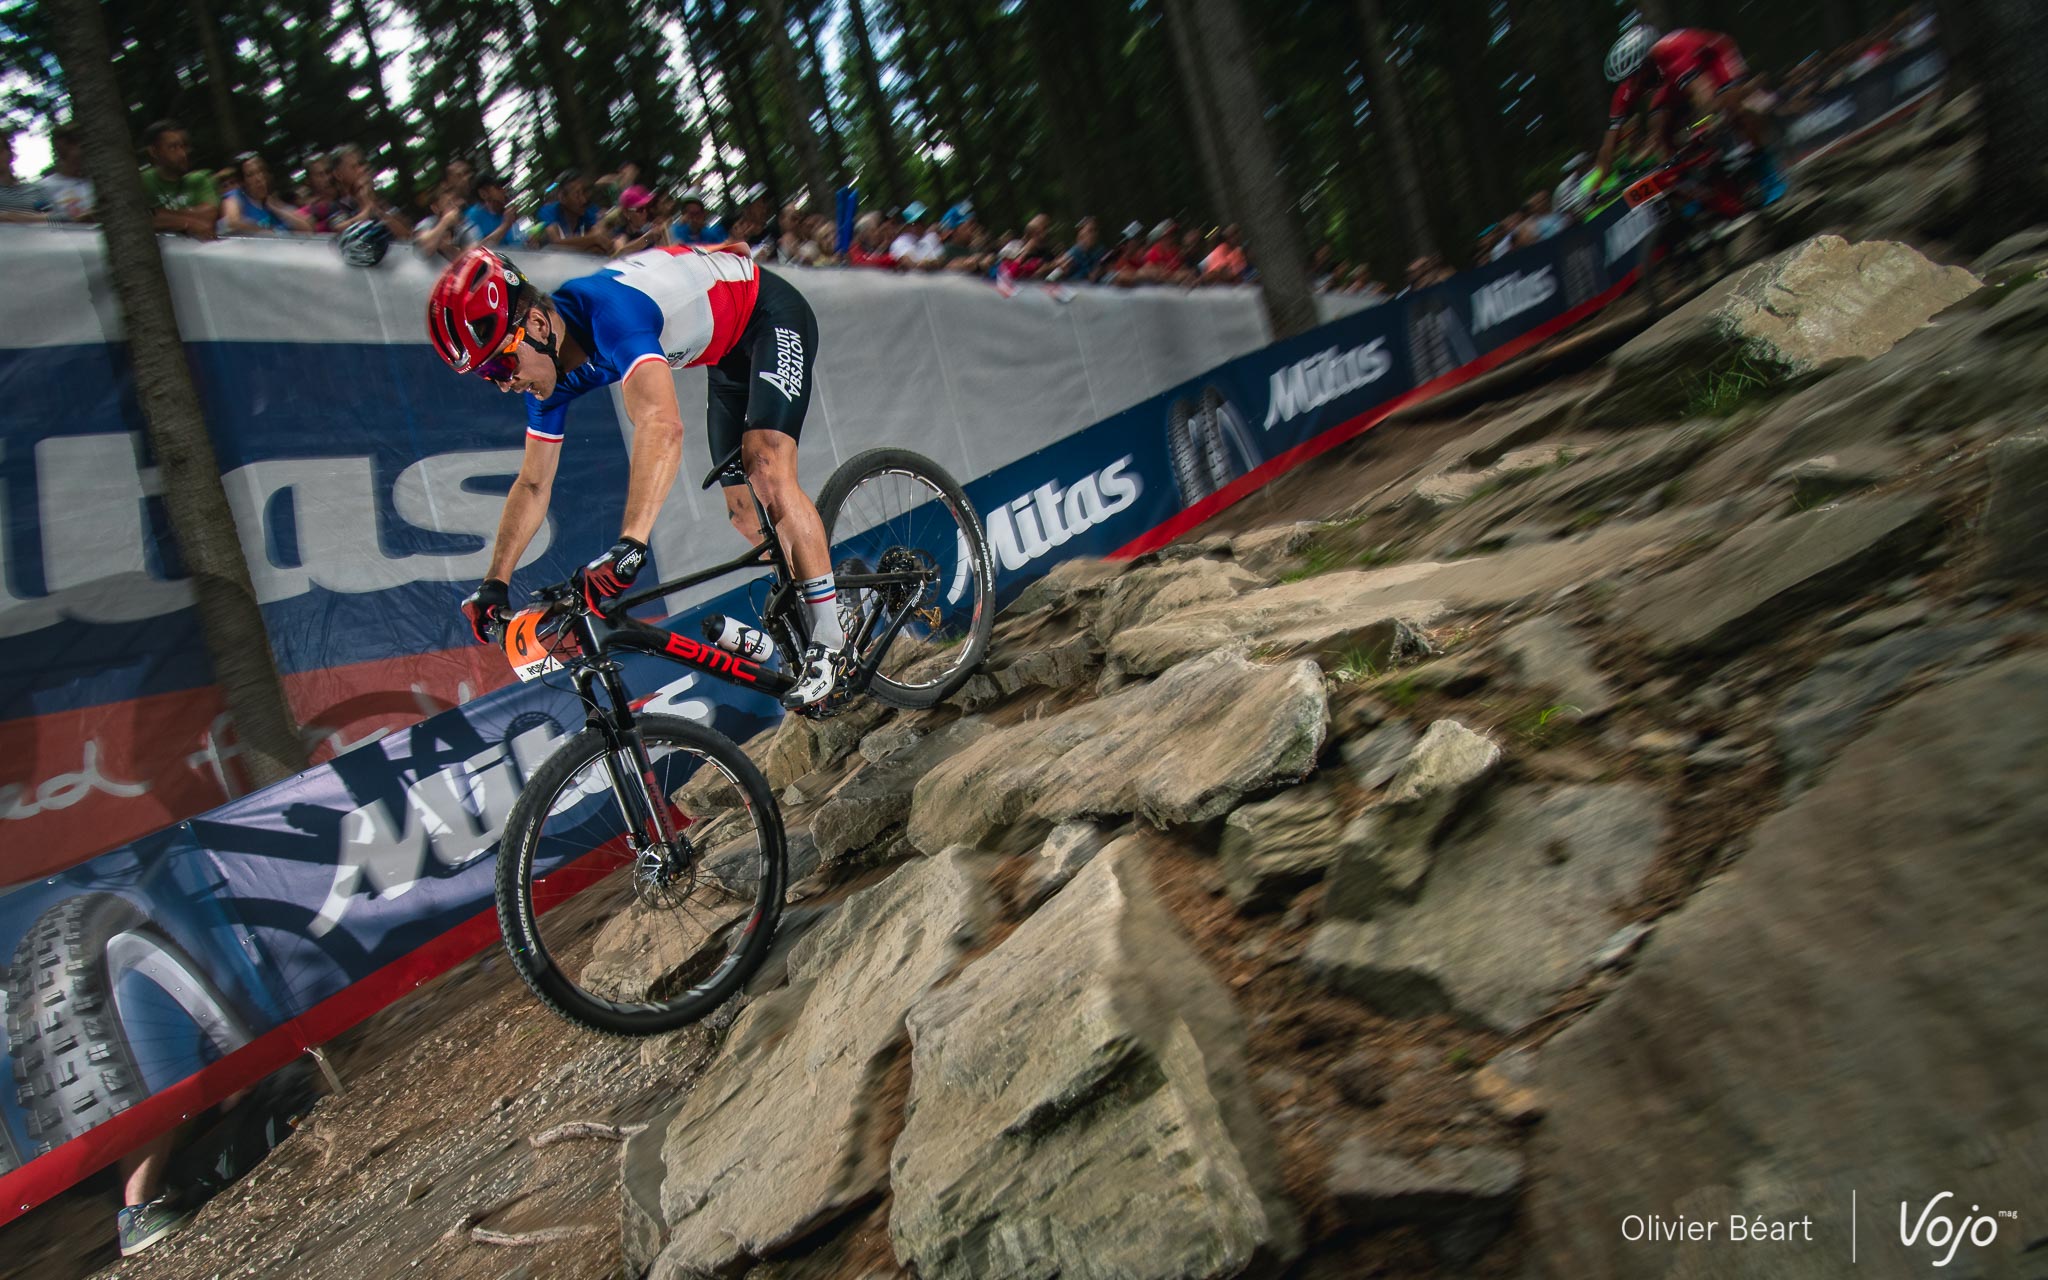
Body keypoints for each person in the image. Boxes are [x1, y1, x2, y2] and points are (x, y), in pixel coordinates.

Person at [429, 244, 847, 706]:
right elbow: (532, 483)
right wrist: (495, 581)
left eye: (501, 365)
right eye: (488, 376)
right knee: (746, 515)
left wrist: (631, 544)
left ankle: (831, 636)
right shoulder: (544, 373)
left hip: (768, 314)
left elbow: (661, 425)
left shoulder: (611, 315)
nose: (504, 383)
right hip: (723, 350)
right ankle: (820, 595)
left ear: (537, 325)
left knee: (765, 464)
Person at [139, 119, 219, 240]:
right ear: (154, 152)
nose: (182, 154)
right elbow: (138, 219)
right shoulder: (142, 181)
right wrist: (190, 223)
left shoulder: (199, 179)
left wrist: (159, 214)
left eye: (182, 146)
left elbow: (208, 218)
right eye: (173, 147)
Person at [221, 153, 314, 235]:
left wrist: (275, 209)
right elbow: (232, 223)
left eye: (260, 172)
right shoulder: (235, 197)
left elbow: (307, 228)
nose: (258, 178)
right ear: (242, 182)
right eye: (250, 175)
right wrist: (264, 231)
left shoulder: (272, 200)